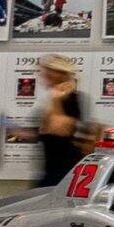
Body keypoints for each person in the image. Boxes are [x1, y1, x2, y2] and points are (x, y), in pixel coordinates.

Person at [33, 57, 86, 186]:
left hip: (64, 169)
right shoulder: (54, 98)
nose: (43, 77)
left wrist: (56, 99)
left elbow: (60, 130)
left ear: (59, 73)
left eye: (47, 74)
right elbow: (46, 132)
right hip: (51, 166)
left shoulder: (71, 98)